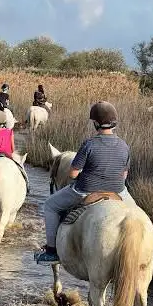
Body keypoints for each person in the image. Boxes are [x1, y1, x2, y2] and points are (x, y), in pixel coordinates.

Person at [34, 101, 134, 264]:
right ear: (114, 123)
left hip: (86, 190)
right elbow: (124, 175)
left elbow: (73, 173)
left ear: (95, 123)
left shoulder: (89, 144)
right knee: (136, 213)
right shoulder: (124, 145)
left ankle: (52, 252)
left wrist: (85, 176)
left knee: (50, 206)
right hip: (119, 191)